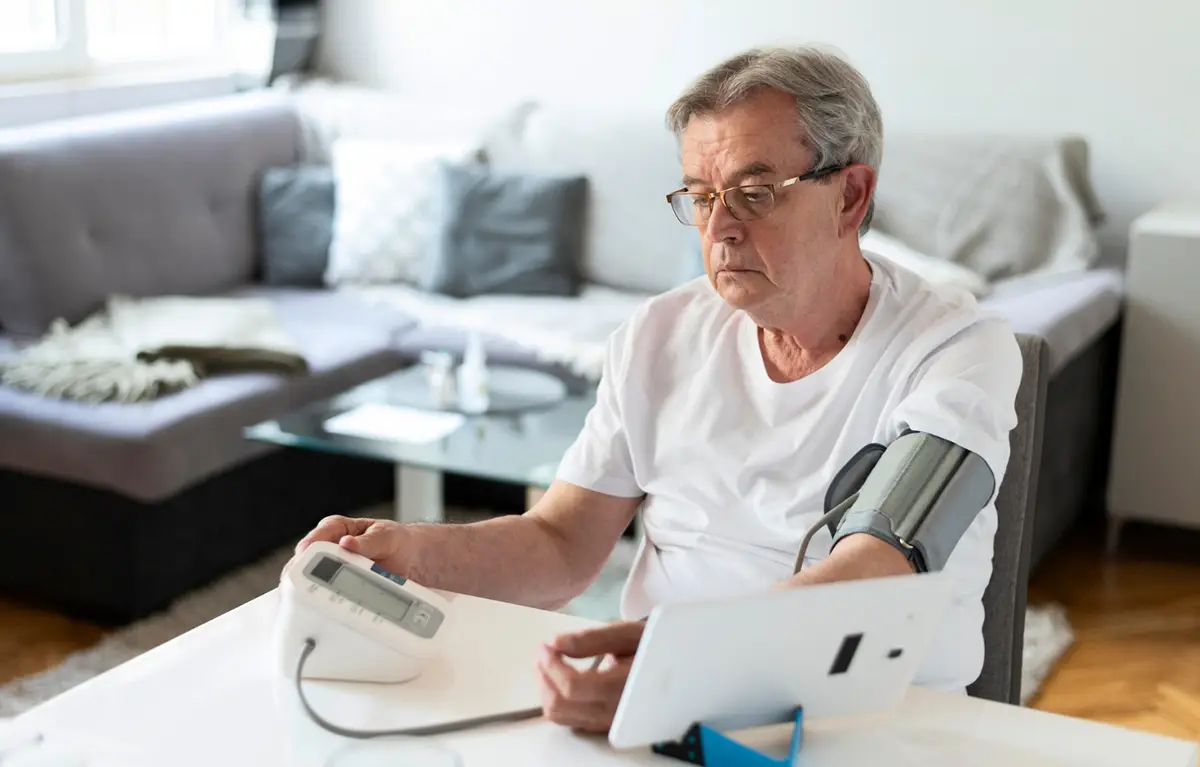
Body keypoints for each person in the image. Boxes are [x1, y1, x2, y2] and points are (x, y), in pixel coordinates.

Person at [289, 44, 1022, 734]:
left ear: (851, 195)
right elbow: (561, 542)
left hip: (872, 724)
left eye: (756, 193)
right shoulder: (659, 335)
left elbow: (878, 569)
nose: (721, 229)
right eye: (702, 197)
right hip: (662, 708)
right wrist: (413, 552)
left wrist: (683, 672)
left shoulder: (956, 349)